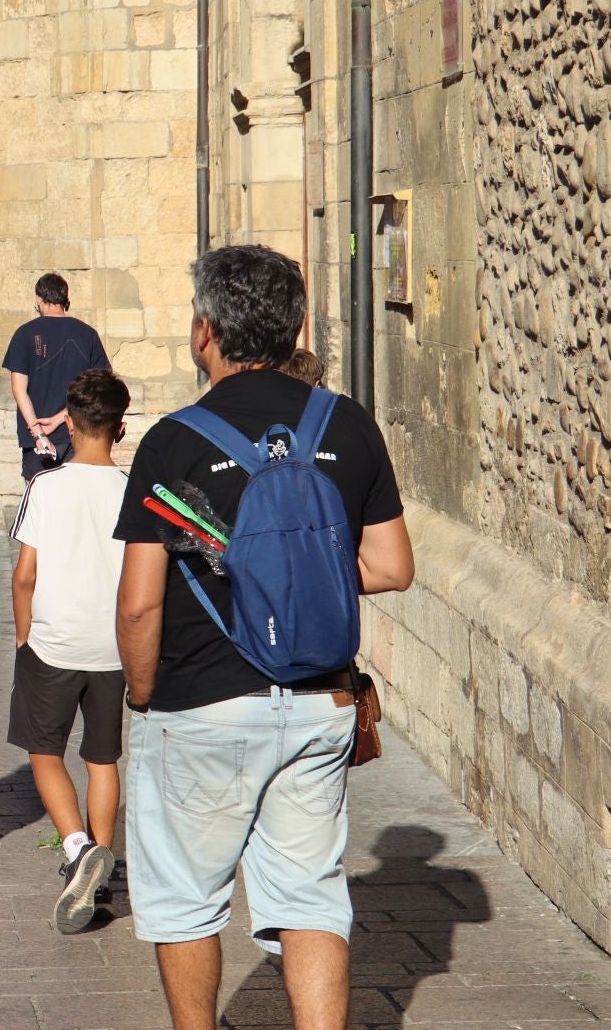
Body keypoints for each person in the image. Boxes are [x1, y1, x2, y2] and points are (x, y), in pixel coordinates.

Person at [115, 245, 415, 1030]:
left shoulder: (171, 442)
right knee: (310, 894)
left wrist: (143, 697)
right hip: (319, 698)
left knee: (186, 898)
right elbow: (390, 565)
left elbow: (141, 605)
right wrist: (299, 565)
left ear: (205, 331)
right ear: (297, 327)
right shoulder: (345, 424)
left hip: (198, 702)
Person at [7, 368, 131, 935]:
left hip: (54, 642)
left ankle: (79, 848)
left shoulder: (46, 486)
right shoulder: (133, 490)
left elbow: (25, 573)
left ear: (71, 424)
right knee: (102, 759)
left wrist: (22, 634)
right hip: (113, 647)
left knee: (43, 749)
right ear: (119, 427)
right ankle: (102, 872)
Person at [2, 272, 111, 481]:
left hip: (38, 442)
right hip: (79, 434)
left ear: (39, 300)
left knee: (39, 505)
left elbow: (18, 389)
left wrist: (39, 434)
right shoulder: (88, 334)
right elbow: (101, 386)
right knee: (74, 505)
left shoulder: (24, 334)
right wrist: (61, 418)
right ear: (65, 300)